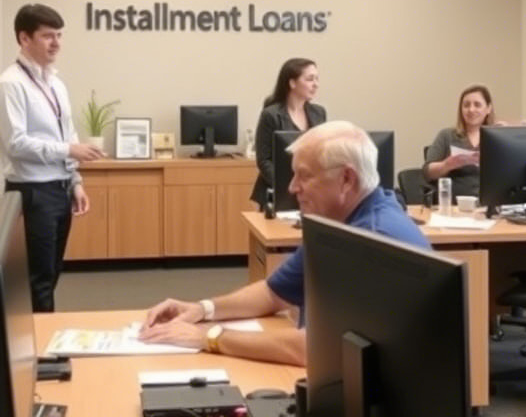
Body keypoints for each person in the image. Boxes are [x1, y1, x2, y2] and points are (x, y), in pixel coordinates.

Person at [142, 121, 428, 365]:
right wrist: (202, 309)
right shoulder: (336, 224)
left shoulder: (374, 241)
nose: (292, 187)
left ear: (346, 179)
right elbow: (273, 293)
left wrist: (209, 336)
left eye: (304, 175)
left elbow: (313, 348)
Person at [0, 3, 105, 312]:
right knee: (36, 279)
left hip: (59, 189)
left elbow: (67, 133)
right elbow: (16, 144)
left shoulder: (55, 83)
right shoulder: (9, 85)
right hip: (32, 192)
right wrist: (68, 151)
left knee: (51, 273)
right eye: (48, 36)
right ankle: (38, 340)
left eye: (59, 35)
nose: (56, 43)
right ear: (24, 38)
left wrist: (75, 181)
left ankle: (40, 331)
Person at [250, 58, 326, 210]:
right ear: (292, 83)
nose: (316, 84)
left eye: (317, 79)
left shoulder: (319, 113)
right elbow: (264, 161)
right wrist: (290, 186)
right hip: (277, 193)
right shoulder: (270, 115)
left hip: (310, 193)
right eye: (310, 79)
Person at [423, 84, 496, 198]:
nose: (471, 110)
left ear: (488, 109)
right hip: (453, 202)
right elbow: (427, 173)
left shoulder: (495, 139)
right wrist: (447, 165)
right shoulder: (447, 135)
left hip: (489, 202)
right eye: (466, 105)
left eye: (477, 105)